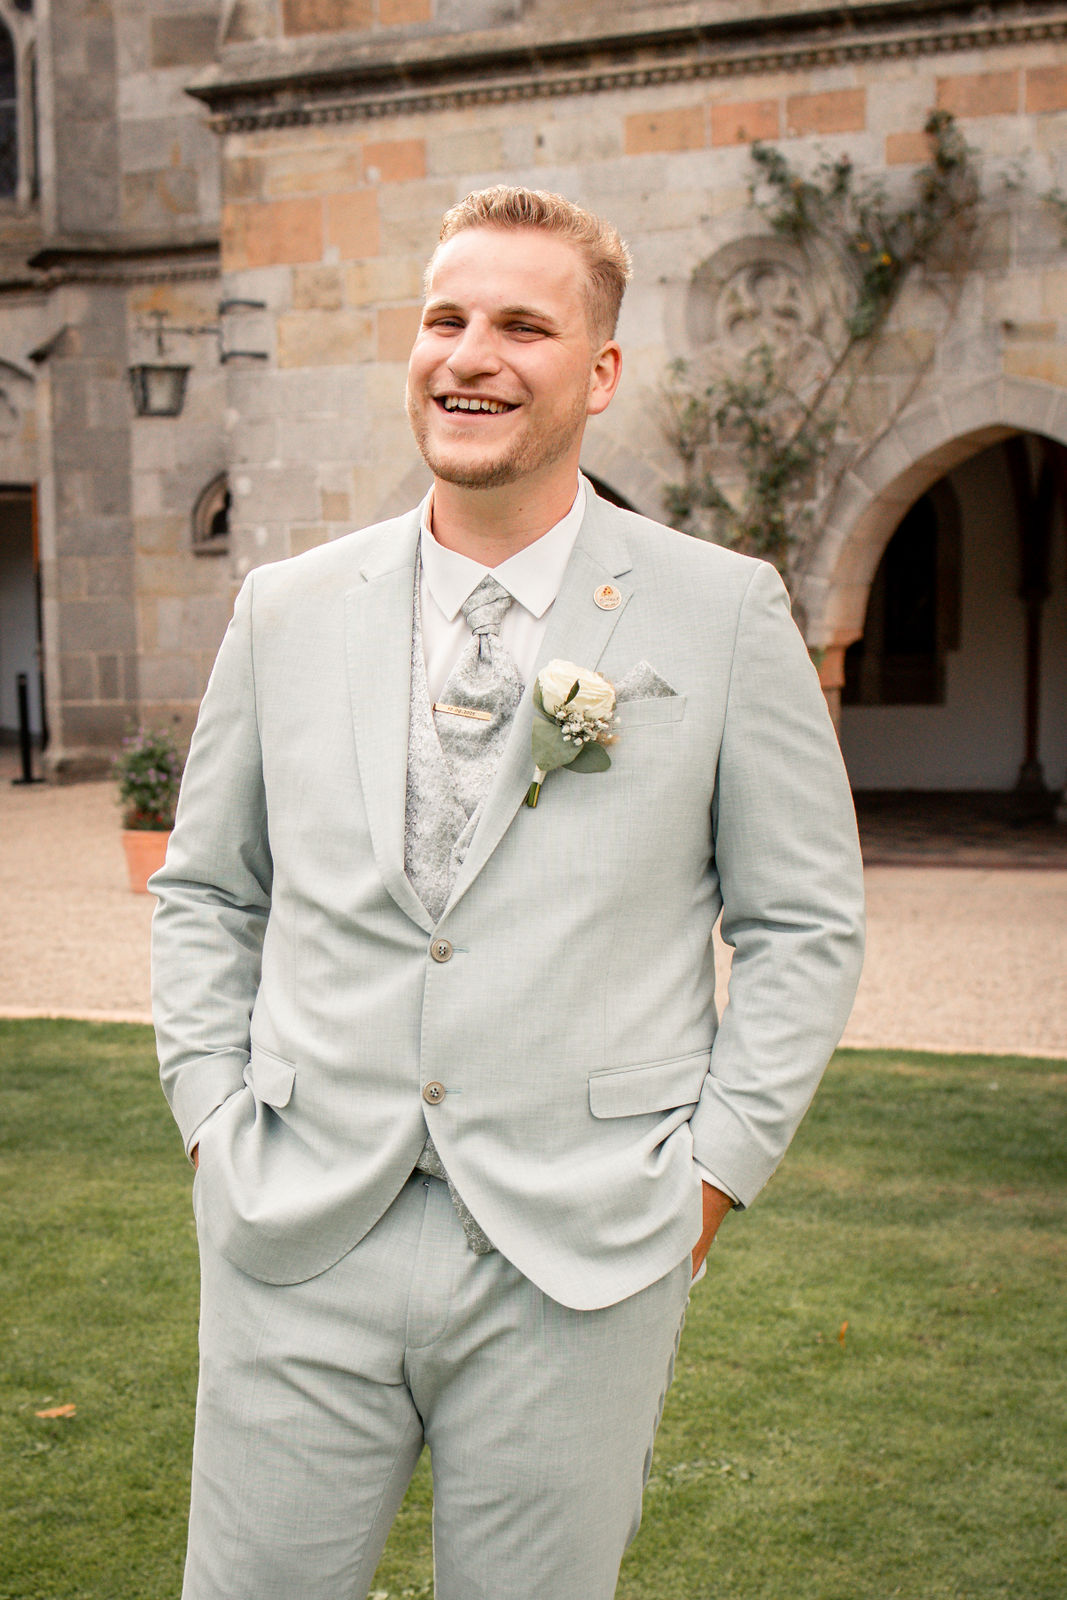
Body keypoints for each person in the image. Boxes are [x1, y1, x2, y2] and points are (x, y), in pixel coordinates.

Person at [151, 185, 865, 1600]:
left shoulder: (722, 611)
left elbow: (804, 922)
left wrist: (711, 1177)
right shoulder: (286, 609)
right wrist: (212, 1124)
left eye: (523, 327)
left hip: (582, 1248)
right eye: (445, 318)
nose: (470, 356)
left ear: (600, 372)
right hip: (298, 1226)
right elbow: (210, 892)